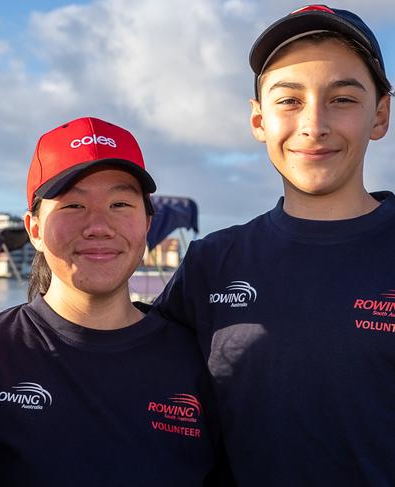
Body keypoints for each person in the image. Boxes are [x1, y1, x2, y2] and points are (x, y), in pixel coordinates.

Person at [154, 5, 393, 485]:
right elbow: (117, 358)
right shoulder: (212, 263)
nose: (314, 124)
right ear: (259, 120)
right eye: (290, 101)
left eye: (342, 99)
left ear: (380, 114)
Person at [0, 117, 226, 486]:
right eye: (73, 206)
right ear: (35, 230)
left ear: (147, 224)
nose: (99, 226)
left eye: (120, 203)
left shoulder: (199, 359)